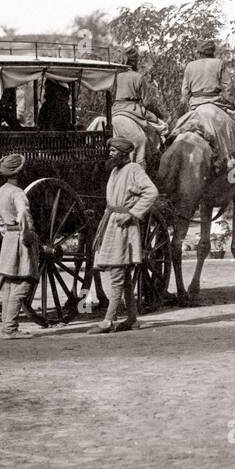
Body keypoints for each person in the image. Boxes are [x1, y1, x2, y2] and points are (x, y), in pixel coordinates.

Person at [88, 136, 160, 334]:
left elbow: (151, 192)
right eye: (110, 150)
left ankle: (108, 320)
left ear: (122, 153)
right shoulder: (115, 170)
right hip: (111, 222)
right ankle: (132, 318)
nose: (110, 154)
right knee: (123, 272)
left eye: (113, 151)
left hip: (123, 225)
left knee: (117, 273)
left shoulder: (134, 169)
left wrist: (133, 214)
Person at [0, 153, 38, 339]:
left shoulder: (3, 190)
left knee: (10, 284)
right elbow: (24, 215)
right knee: (23, 284)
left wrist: (5, 231)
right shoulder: (18, 193)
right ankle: (10, 329)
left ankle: (7, 327)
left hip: (9, 238)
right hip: (20, 239)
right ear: (20, 172)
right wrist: (27, 236)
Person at [112, 46, 167, 167]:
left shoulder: (115, 76)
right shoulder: (138, 77)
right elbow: (147, 102)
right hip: (133, 111)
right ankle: (144, 165)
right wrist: (157, 116)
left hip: (115, 111)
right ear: (135, 61)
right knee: (157, 131)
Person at [180, 39, 235, 112]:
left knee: (181, 122)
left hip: (195, 105)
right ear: (212, 52)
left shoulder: (190, 66)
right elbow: (229, 87)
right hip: (217, 103)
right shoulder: (219, 63)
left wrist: (187, 102)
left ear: (199, 53)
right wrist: (230, 102)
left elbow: (185, 92)